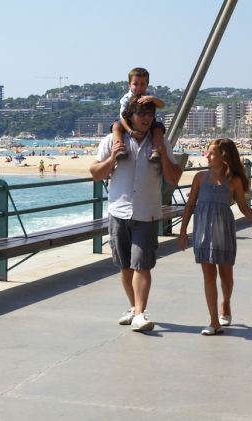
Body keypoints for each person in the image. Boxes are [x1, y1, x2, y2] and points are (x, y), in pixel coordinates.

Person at [90, 98, 183, 332]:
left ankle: (140, 312)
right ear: (130, 116)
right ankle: (134, 308)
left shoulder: (159, 142)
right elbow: (94, 173)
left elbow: (174, 178)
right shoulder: (112, 140)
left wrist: (162, 153)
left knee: (142, 264)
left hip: (147, 213)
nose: (147, 118)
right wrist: (113, 158)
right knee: (125, 266)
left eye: (150, 114)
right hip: (118, 211)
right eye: (142, 114)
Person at [178, 139, 252, 335]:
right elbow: (189, 205)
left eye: (211, 153)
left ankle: (226, 303)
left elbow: (242, 206)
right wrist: (183, 231)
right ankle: (214, 321)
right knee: (208, 275)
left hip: (223, 231)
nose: (207, 156)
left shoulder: (234, 181)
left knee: (225, 274)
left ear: (224, 157)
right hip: (203, 231)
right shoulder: (199, 177)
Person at [112, 67, 165, 162]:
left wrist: (152, 99)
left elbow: (162, 105)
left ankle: (156, 151)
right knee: (116, 126)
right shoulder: (126, 98)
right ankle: (120, 149)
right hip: (127, 122)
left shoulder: (150, 94)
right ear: (129, 85)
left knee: (158, 129)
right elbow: (122, 117)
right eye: (135, 84)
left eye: (142, 84)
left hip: (149, 122)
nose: (139, 87)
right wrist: (130, 131)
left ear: (147, 85)